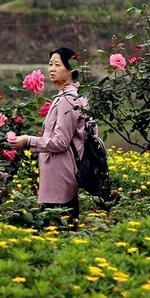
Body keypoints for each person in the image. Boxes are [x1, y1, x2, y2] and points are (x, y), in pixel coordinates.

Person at [7, 47, 88, 220]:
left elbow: (60, 142)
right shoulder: (69, 96)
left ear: (71, 69)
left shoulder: (68, 100)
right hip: (59, 176)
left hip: (60, 178)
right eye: (50, 64)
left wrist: (28, 140)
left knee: (56, 228)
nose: (51, 69)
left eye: (57, 65)